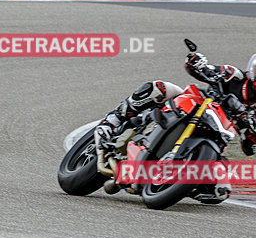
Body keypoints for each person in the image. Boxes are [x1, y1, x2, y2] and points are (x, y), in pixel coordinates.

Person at [94, 51, 256, 159]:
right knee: (159, 88)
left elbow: (249, 148)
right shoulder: (234, 75)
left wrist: (251, 134)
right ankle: (112, 121)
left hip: (216, 132)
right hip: (195, 104)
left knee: (219, 188)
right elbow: (201, 68)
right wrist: (197, 62)